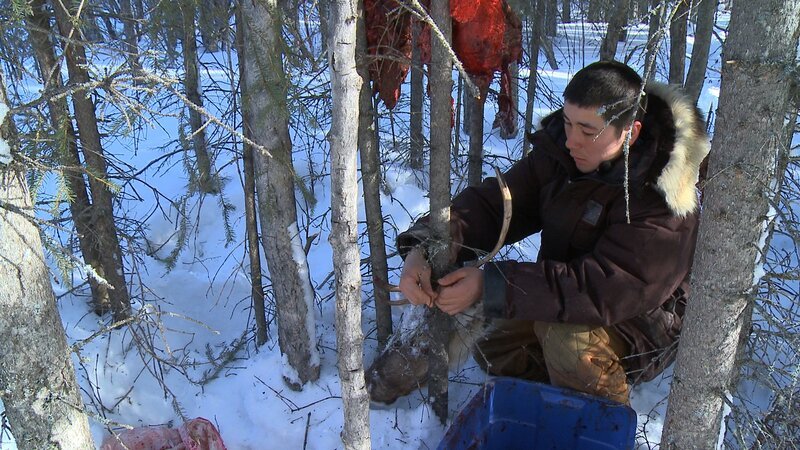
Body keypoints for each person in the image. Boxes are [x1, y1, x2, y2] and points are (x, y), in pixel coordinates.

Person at [395, 61, 710, 405]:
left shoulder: (663, 195)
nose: (572, 140)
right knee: (494, 347)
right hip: (567, 295)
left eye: (588, 131)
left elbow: (606, 288)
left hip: (639, 323)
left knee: (563, 341)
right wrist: (424, 247)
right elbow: (495, 205)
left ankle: (601, 424)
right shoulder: (563, 155)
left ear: (630, 133)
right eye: (567, 122)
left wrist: (493, 284)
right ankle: (555, 399)